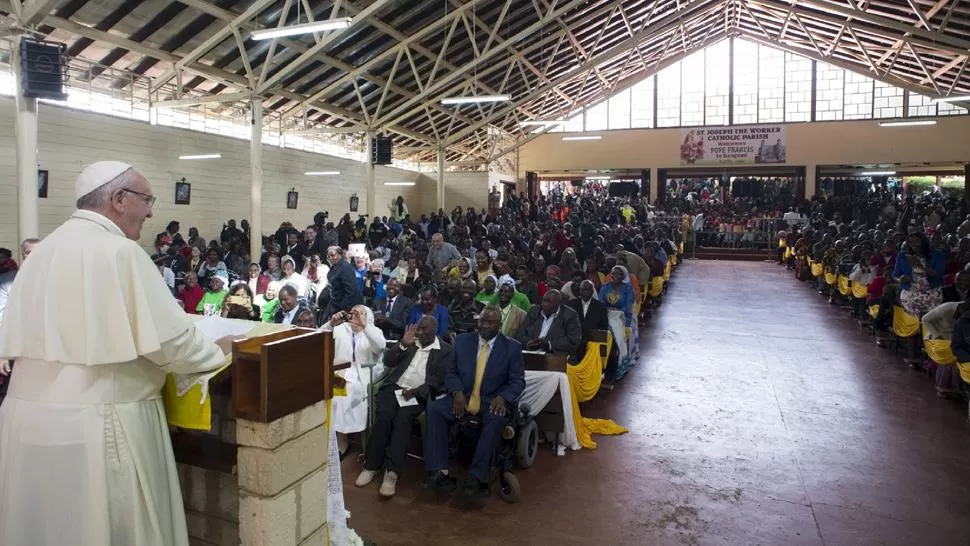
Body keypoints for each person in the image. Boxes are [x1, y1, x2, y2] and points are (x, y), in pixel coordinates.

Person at [0, 161, 240, 546]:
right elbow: (172, 342)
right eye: (147, 200)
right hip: (102, 425)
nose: (151, 211)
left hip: (26, 424)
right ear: (118, 199)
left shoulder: (41, 253)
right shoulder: (120, 253)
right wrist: (218, 351)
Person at [423, 306, 525, 497]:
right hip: (464, 397)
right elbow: (451, 372)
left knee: (495, 419)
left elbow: (518, 381)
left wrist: (503, 397)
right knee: (435, 409)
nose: (483, 326)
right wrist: (457, 392)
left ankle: (476, 477)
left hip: (492, 399)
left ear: (499, 324)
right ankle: (438, 471)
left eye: (489, 322)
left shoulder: (512, 347)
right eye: (481, 321)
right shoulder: (462, 341)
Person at [355, 317, 452, 497]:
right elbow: (388, 361)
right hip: (394, 388)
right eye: (419, 329)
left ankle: (392, 473)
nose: (420, 333)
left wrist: (417, 391)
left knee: (402, 420)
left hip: (417, 395)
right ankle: (371, 466)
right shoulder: (410, 342)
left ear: (434, 331)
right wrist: (402, 345)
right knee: (384, 414)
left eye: (425, 330)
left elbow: (439, 380)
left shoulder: (445, 351)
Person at [322, 305, 386, 455]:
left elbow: (381, 346)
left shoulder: (372, 331)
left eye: (360, 314)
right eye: (353, 314)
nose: (355, 317)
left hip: (361, 376)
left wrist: (364, 325)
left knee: (345, 394)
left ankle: (342, 441)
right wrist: (331, 323)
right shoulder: (341, 328)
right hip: (339, 373)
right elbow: (318, 337)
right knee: (324, 390)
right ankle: (326, 437)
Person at [514, 289, 582, 355]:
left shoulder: (570, 315)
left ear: (558, 303)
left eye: (549, 301)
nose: (545, 304)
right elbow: (519, 335)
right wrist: (529, 343)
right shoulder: (534, 311)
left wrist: (548, 344)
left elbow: (573, 341)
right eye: (544, 301)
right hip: (531, 353)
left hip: (554, 356)